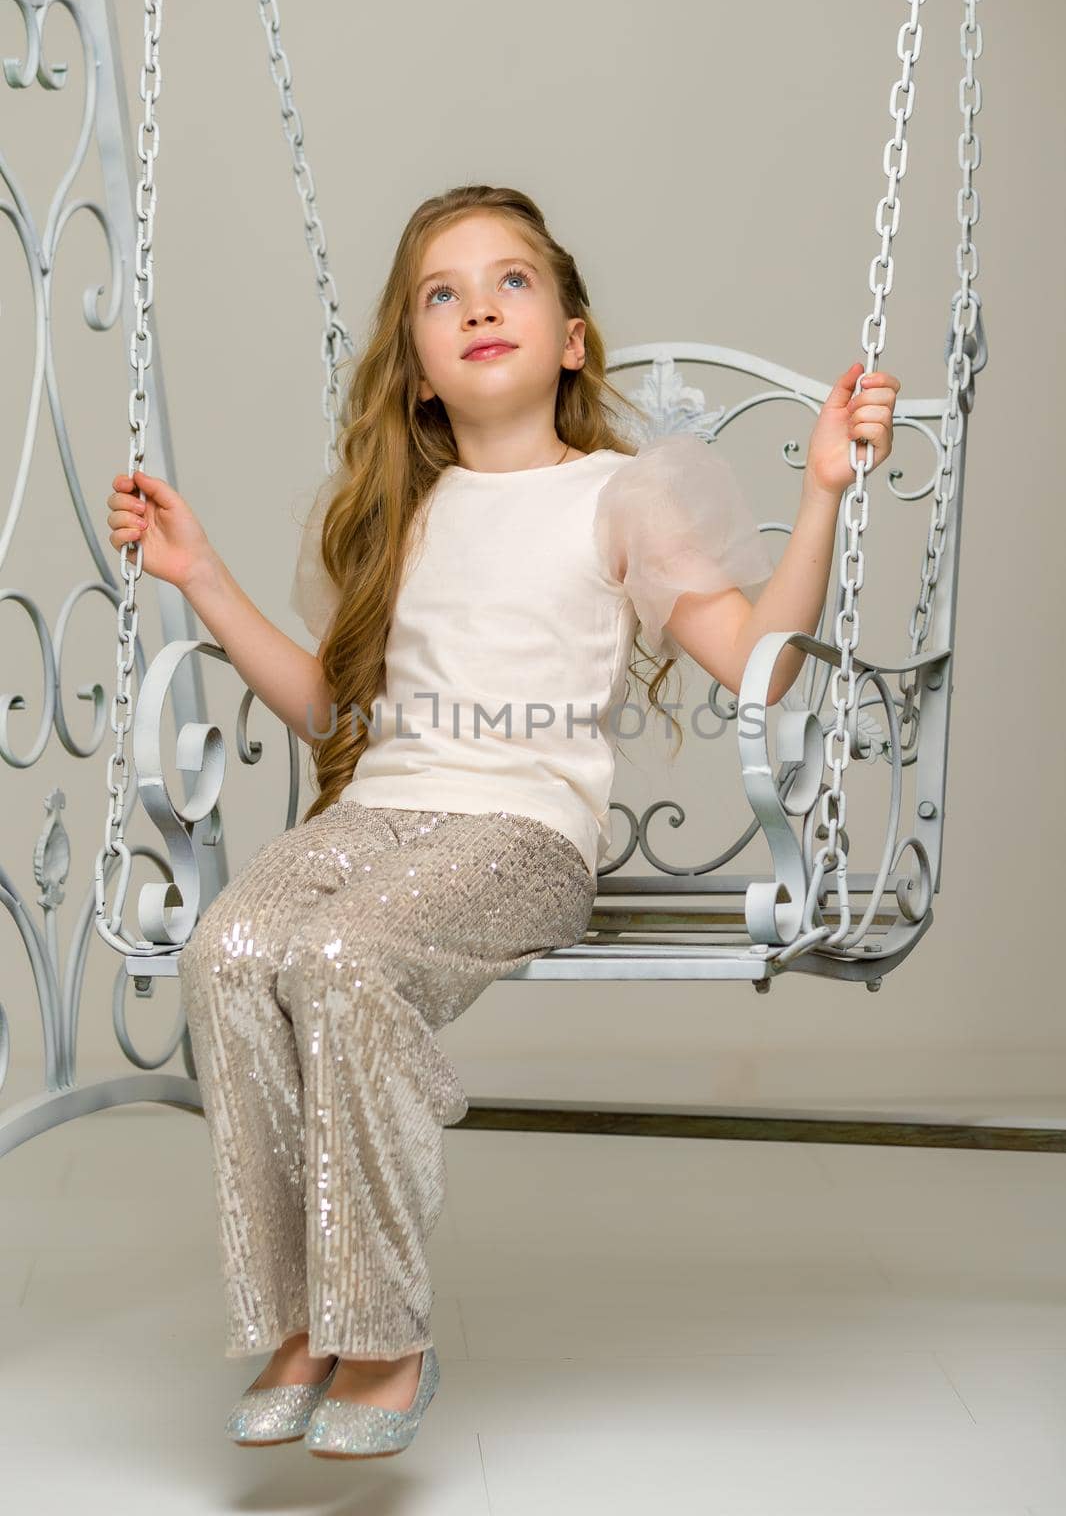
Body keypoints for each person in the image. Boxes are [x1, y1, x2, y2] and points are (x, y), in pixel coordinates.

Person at [105, 183, 900, 1455]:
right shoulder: (394, 516)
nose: (477, 303)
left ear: (571, 338)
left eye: (511, 280)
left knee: (341, 957)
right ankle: (303, 1310)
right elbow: (326, 707)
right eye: (441, 292)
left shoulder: (622, 496)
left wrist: (818, 493)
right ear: (417, 369)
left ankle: (384, 1322)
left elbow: (760, 662)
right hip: (381, 814)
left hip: (520, 837)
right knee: (231, 947)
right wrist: (199, 575)